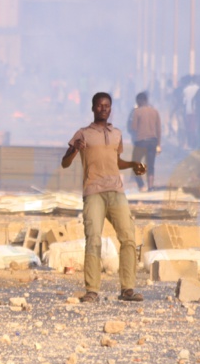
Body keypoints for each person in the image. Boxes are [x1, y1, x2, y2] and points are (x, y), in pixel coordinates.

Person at [60, 92, 145, 303]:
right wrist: (74, 151)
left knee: (128, 239)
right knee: (94, 239)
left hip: (116, 191)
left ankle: (127, 289)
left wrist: (134, 165)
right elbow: (65, 162)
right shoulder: (82, 134)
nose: (103, 109)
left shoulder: (116, 133)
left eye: (106, 106)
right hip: (93, 192)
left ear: (110, 108)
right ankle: (92, 290)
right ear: (92, 108)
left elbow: (116, 161)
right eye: (99, 106)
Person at [129, 91, 161, 192]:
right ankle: (150, 187)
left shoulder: (137, 112)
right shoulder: (155, 111)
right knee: (150, 165)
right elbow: (159, 130)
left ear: (139, 101)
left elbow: (133, 127)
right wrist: (159, 144)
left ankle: (142, 186)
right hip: (153, 141)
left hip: (141, 141)